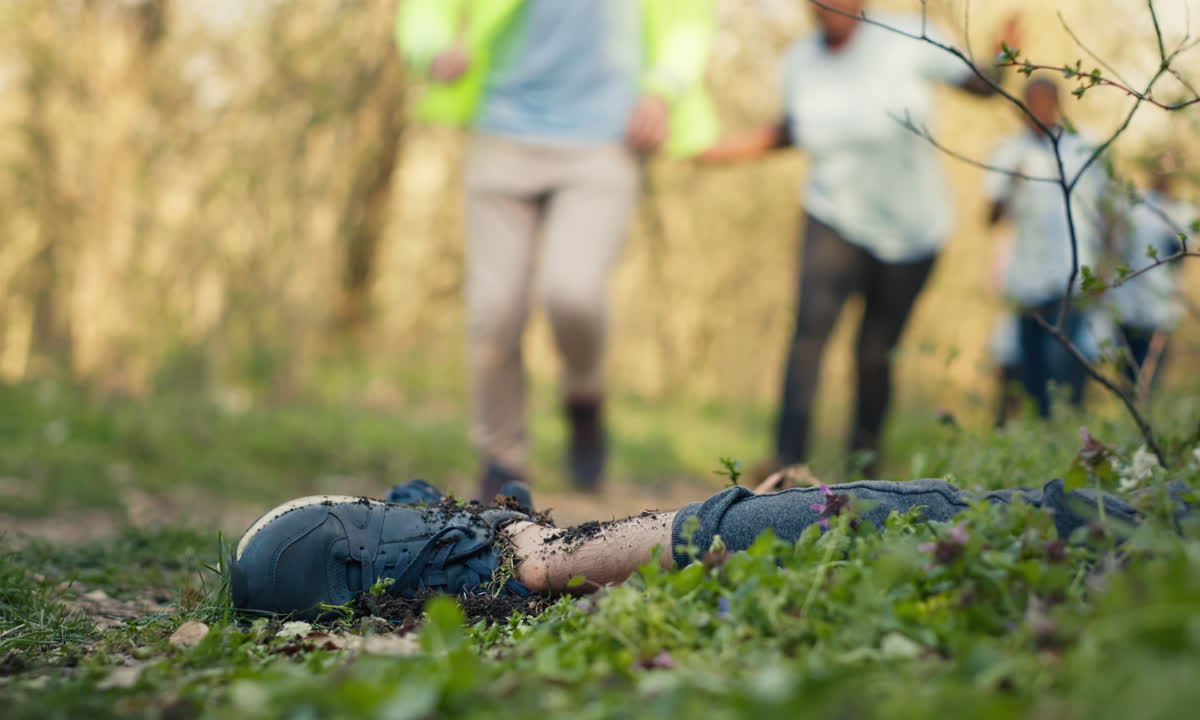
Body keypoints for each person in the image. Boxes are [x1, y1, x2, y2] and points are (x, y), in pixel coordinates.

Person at [394, 1, 717, 503]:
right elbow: (426, 10)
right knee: (493, 312)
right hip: (502, 131)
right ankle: (503, 463)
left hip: (605, 141)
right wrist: (430, 49)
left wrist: (663, 90)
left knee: (574, 293)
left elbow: (690, 21)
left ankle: (583, 395)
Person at [696, 0, 1021, 476]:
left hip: (912, 232)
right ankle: (786, 465)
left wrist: (1004, 55)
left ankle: (862, 471)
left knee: (873, 354)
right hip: (834, 217)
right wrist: (716, 153)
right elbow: (789, 132)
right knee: (808, 336)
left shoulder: (908, 36)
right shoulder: (799, 62)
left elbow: (981, 86)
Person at [229, 474, 1175, 619]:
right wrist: (528, 543)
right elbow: (540, 554)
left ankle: (1145, 520)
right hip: (552, 555)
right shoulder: (521, 554)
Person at [985, 78, 1111, 418]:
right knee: (1030, 362)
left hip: (1074, 271)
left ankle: (1068, 421)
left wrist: (1105, 267)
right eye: (1030, 104)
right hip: (1026, 277)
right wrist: (1011, 183)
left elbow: (1107, 211)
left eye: (1044, 102)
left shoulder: (1084, 147)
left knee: (1065, 356)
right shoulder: (1008, 151)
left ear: (1058, 104)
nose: (1037, 111)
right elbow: (991, 216)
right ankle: (1042, 423)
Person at [1107, 151, 1194, 394]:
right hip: (1126, 305)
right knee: (1126, 374)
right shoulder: (1133, 205)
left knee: (1150, 376)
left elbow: (1181, 259)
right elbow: (1113, 243)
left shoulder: (1184, 213)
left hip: (1161, 310)